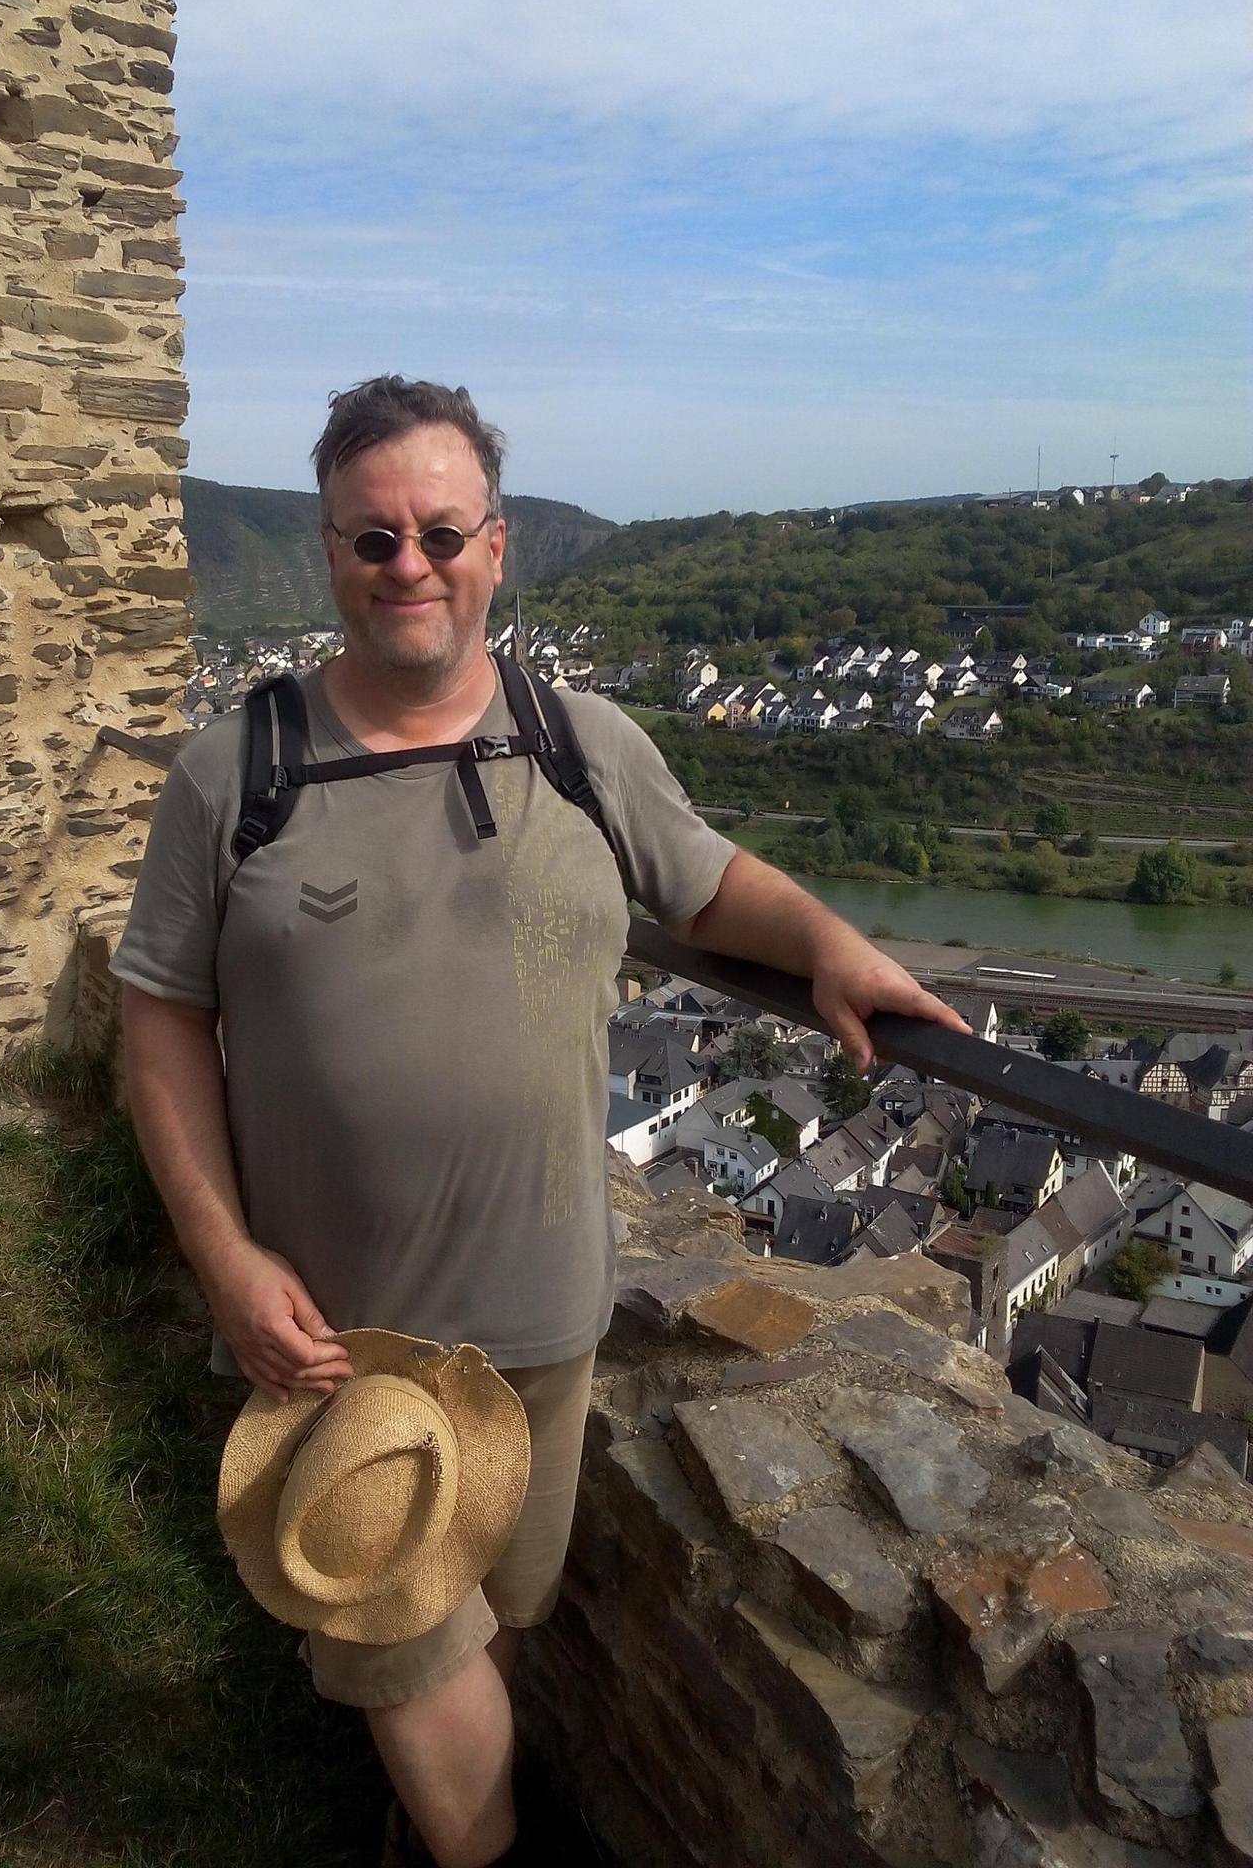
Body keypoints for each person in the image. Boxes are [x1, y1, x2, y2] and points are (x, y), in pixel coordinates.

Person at [112, 376, 968, 1868]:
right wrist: (225, 1259)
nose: (410, 564)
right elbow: (160, 1017)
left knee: (490, 1619)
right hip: (341, 1339)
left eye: (442, 533)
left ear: (495, 547)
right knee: (404, 1647)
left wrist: (829, 943)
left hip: (543, 1318)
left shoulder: (582, 745)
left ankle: (419, 1830)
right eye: (373, 538)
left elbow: (708, 884)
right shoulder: (238, 771)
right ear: (329, 553)